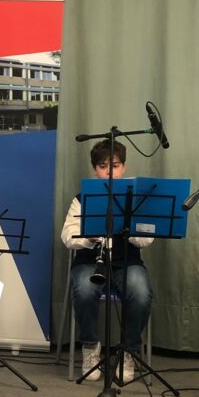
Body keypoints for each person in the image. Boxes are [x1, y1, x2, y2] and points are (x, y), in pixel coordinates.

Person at [61, 139, 154, 383]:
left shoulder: (136, 200)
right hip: (90, 262)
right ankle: (91, 347)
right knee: (84, 290)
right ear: (95, 169)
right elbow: (67, 236)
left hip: (127, 263)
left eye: (115, 165)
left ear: (124, 167)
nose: (110, 172)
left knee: (141, 293)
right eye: (103, 166)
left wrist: (128, 229)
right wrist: (88, 237)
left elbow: (147, 240)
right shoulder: (82, 199)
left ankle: (128, 351)